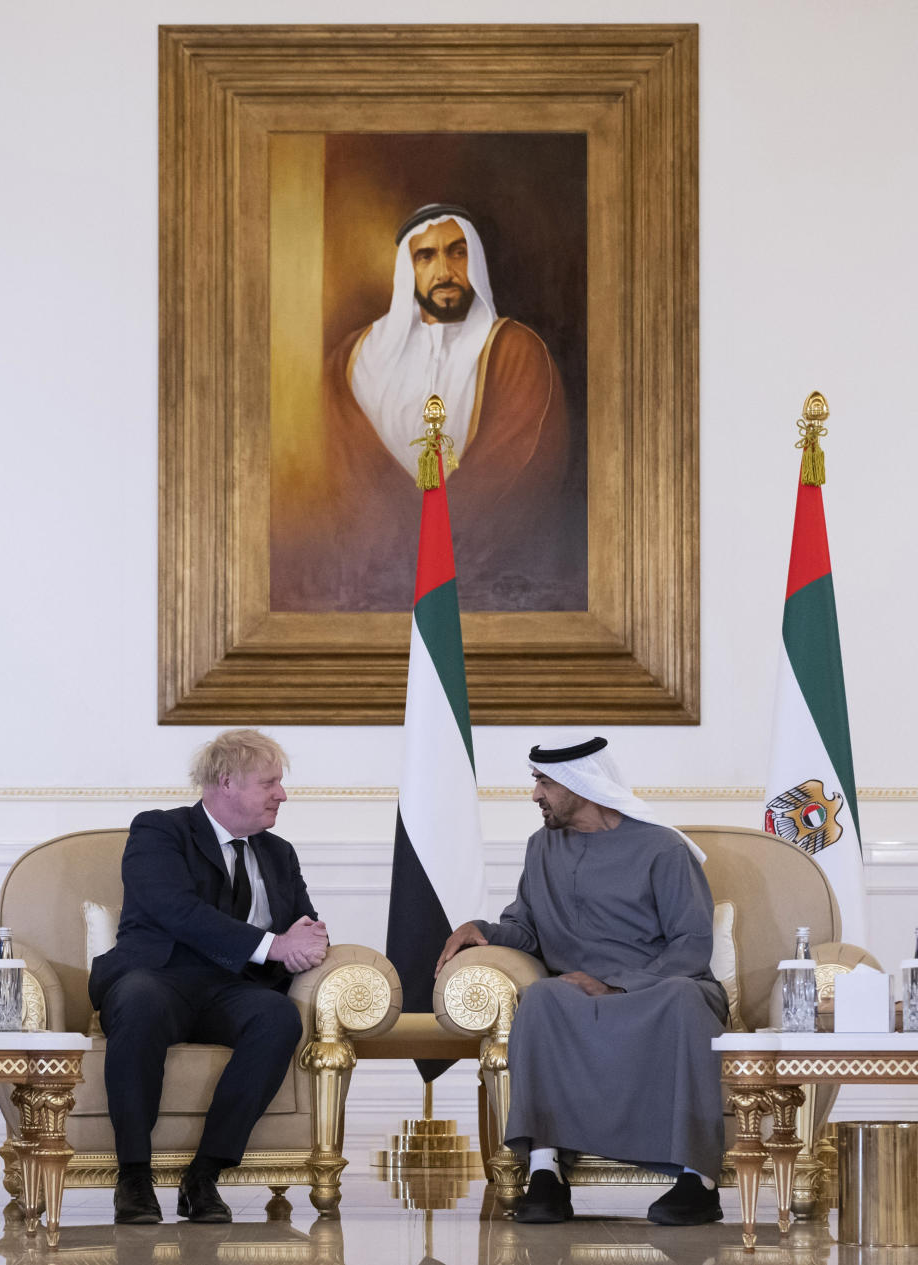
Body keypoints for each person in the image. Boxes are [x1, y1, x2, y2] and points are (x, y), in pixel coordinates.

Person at [435, 736, 728, 1226]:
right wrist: (482, 931)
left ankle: (698, 1181)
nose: (535, 796)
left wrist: (618, 988)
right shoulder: (541, 848)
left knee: (683, 999)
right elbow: (526, 929)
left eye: (543, 782)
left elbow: (691, 945)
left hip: (659, 989)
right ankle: (547, 1172)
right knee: (543, 998)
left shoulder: (662, 848)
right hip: (575, 994)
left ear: (581, 785)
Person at [275, 203, 585, 613]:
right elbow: (330, 472)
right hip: (366, 591)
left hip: (478, 595)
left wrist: (427, 554)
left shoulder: (516, 352)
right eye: (427, 256)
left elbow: (521, 468)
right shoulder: (356, 358)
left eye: (458, 252)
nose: (444, 271)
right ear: (409, 270)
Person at [88, 729, 328, 1226]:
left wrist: (307, 944)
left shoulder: (278, 853)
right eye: (270, 783)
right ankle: (133, 1175)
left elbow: (301, 923)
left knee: (278, 1016)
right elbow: (176, 910)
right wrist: (272, 945)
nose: (281, 794)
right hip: (157, 976)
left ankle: (206, 1173)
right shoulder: (159, 831)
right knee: (139, 1000)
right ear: (225, 782)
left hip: (232, 990)